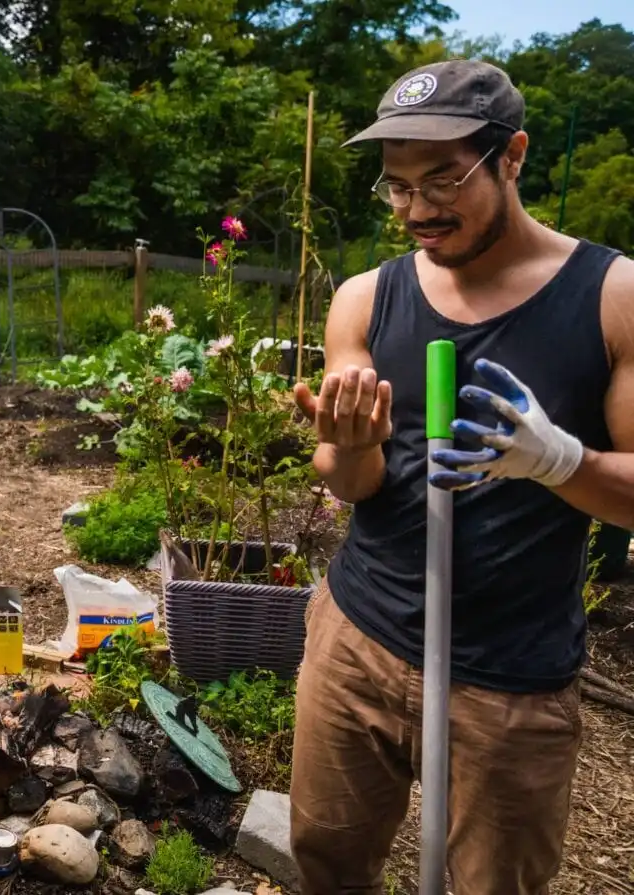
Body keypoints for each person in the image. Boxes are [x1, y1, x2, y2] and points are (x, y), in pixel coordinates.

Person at [289, 59, 634, 894]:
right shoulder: (367, 299)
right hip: (358, 638)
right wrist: (353, 446)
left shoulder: (612, 295)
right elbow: (349, 481)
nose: (417, 210)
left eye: (444, 179)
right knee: (327, 858)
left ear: (512, 155)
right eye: (397, 187)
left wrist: (561, 459)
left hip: (509, 677)